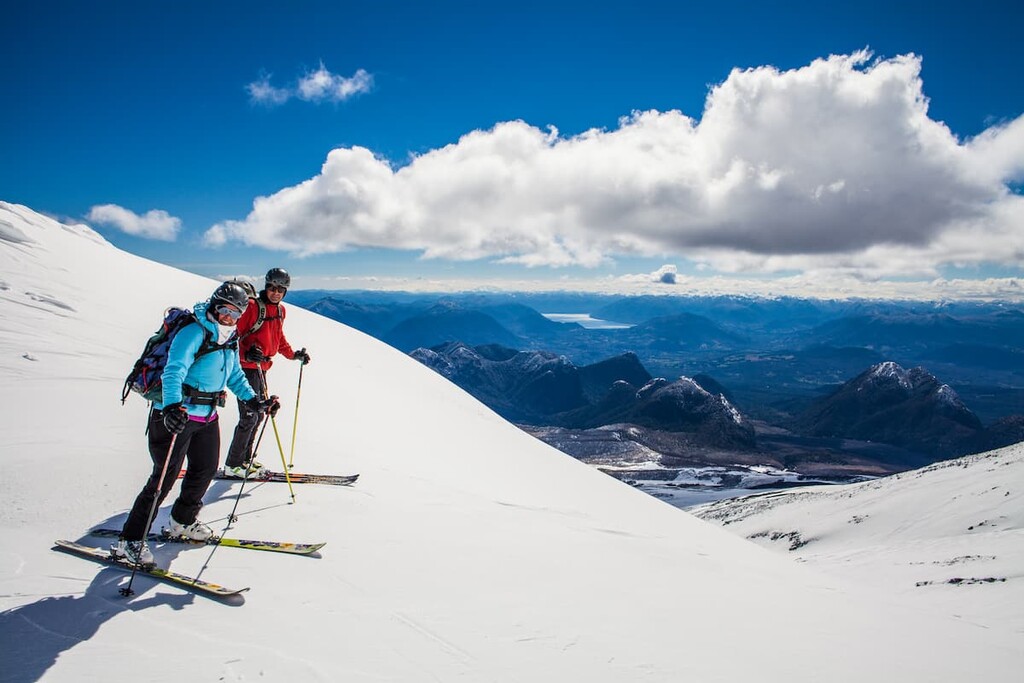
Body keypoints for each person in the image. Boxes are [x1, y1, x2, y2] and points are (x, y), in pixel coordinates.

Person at [115, 282, 279, 566]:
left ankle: (182, 521)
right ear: (215, 306)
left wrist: (254, 401)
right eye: (224, 309)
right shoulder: (194, 330)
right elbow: (174, 370)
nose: (229, 316)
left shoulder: (230, 337)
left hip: (207, 416)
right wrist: (170, 407)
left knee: (203, 471)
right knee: (163, 479)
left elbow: (235, 376)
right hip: (176, 416)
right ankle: (129, 540)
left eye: (235, 312)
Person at [224, 267, 311, 478]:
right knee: (250, 416)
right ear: (266, 286)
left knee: (259, 414)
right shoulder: (253, 307)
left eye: (281, 289)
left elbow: (278, 337)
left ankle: (245, 459)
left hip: (262, 369)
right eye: (273, 287)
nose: (276, 292)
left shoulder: (281, 311)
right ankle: (234, 465)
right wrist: (246, 356)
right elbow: (231, 339)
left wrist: (293, 355)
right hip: (245, 370)